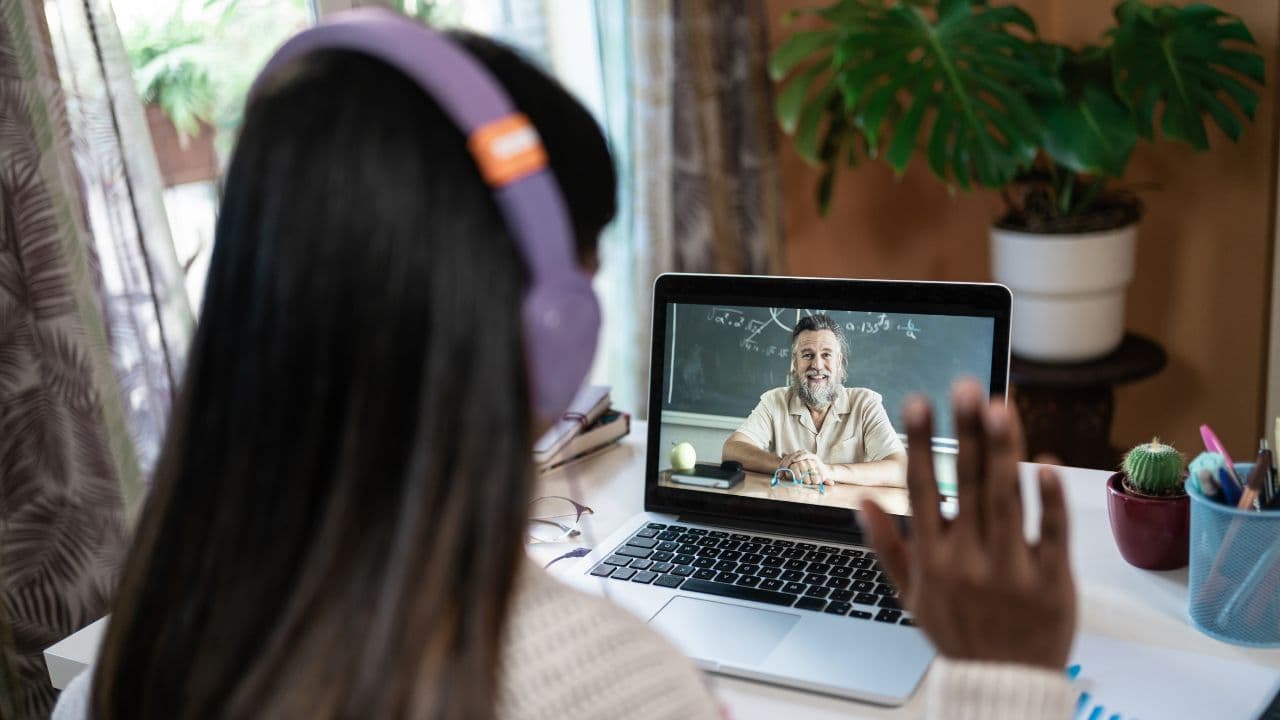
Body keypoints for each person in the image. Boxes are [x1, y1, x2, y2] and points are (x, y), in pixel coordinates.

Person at [53, 11, 1076, 719]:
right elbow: (736, 454)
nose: (811, 367)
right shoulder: (604, 685)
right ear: (551, 326)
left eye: (821, 355)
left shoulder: (136, 643)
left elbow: (868, 473)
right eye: (802, 353)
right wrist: (998, 673)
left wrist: (802, 473)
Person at [722, 313, 907, 487]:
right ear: (795, 363)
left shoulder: (865, 404)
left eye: (826, 354)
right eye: (808, 355)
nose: (817, 365)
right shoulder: (775, 400)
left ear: (839, 361)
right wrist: (785, 465)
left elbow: (902, 470)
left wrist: (826, 471)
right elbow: (732, 450)